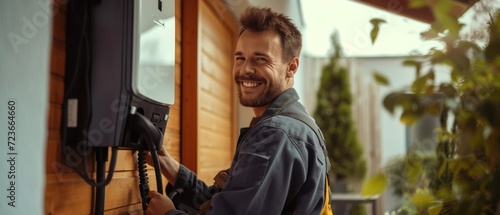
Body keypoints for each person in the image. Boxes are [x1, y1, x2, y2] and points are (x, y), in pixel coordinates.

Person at [146, 6, 331, 215]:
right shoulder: (297, 125)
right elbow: (229, 204)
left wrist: (167, 214)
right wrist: (174, 170)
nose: (245, 70)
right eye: (240, 58)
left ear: (292, 67)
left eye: (260, 59)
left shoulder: (276, 135)